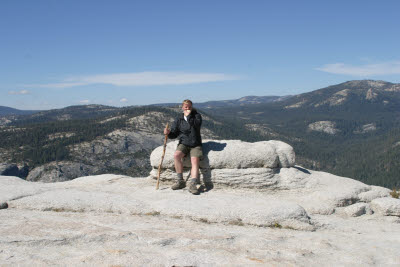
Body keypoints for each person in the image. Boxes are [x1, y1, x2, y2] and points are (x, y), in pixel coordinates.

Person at [164, 99, 203, 194]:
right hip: (184, 143)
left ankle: (193, 183)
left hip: (195, 143)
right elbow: (174, 134)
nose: (187, 108)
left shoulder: (197, 116)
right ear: (182, 107)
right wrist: (168, 133)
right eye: (186, 107)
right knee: (176, 156)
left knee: (194, 160)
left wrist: (189, 116)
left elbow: (196, 125)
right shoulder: (178, 119)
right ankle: (180, 181)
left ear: (192, 107)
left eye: (189, 107)